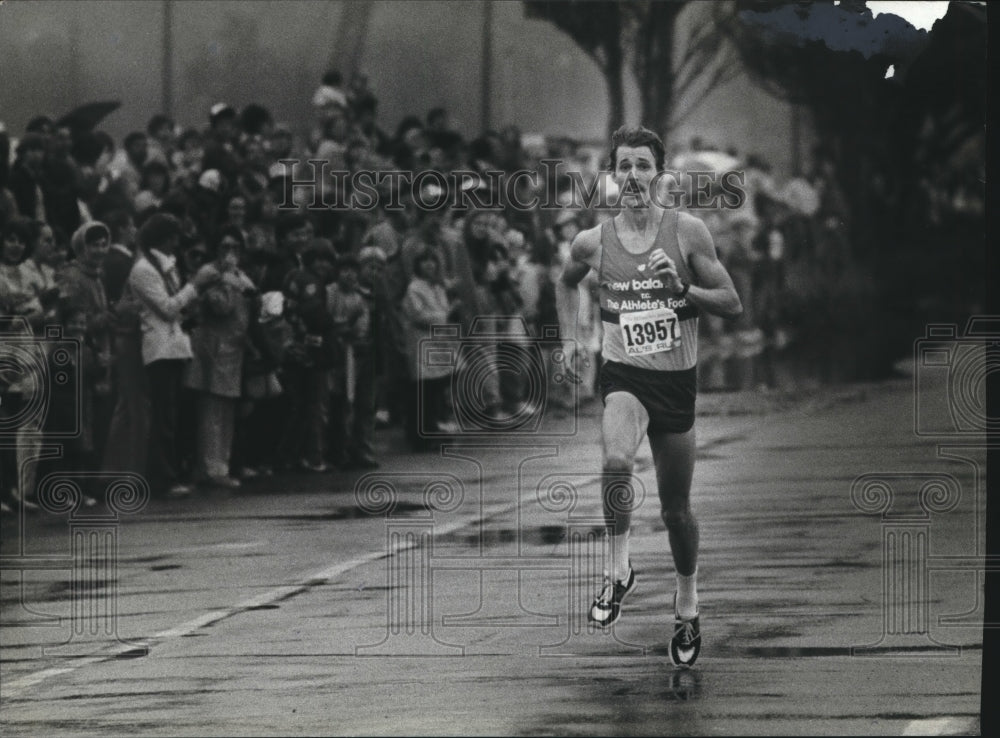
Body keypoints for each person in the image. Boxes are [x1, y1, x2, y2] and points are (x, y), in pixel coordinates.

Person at [557, 126, 742, 668]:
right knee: (615, 464)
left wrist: (683, 288)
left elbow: (731, 303)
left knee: (676, 512)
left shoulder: (687, 233)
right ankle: (618, 571)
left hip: (675, 383)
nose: (633, 176)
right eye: (624, 166)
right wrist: (572, 336)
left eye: (643, 165)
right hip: (624, 375)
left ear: (659, 174)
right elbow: (566, 283)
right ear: (612, 175)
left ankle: (687, 607)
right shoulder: (591, 243)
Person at [128, 213, 221, 497]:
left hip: (175, 345)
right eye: (174, 238)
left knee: (174, 413)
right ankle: (161, 478)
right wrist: (196, 285)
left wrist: (192, 299)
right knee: (164, 415)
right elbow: (168, 308)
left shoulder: (166, 266)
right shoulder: (144, 269)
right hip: (159, 348)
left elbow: (178, 309)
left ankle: (171, 471)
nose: (177, 244)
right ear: (164, 239)